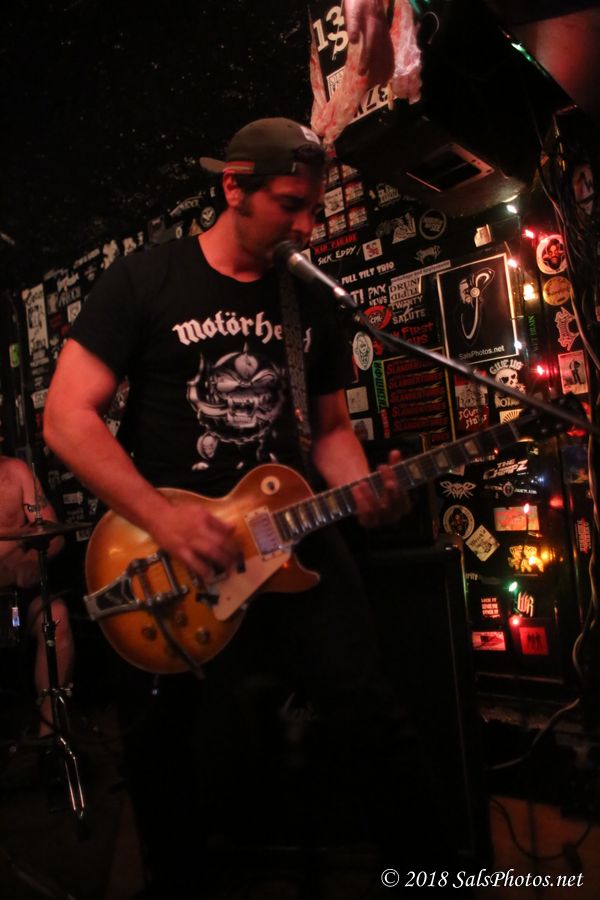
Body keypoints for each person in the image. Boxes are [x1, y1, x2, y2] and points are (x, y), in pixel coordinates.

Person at [44, 118, 442, 897]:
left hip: (289, 532)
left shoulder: (308, 298)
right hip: (174, 551)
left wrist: (363, 488)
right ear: (234, 187)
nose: (306, 225)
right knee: (173, 754)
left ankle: (435, 879)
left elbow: (330, 430)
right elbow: (66, 417)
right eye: (291, 205)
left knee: (371, 711)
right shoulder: (145, 280)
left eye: (314, 208)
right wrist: (164, 519)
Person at [0, 454, 74, 738]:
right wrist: (17, 533)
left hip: (17, 597)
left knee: (56, 616)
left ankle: (50, 732)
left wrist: (30, 561)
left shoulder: (17, 471)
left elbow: (53, 533)